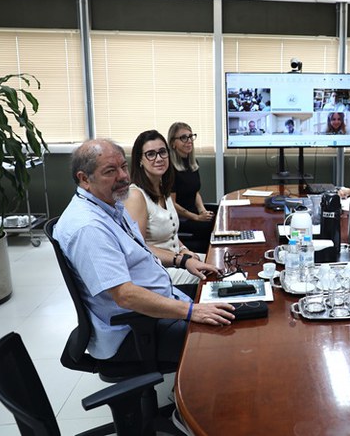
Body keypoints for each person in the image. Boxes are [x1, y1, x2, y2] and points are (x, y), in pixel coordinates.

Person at [52, 139, 234, 367]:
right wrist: (191, 311)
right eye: (110, 171)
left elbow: (137, 250)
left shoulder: (110, 205)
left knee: (233, 298)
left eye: (123, 166)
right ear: (84, 179)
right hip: (136, 329)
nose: (123, 176)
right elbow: (125, 295)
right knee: (229, 338)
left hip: (160, 302)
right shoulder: (88, 228)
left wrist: (183, 261)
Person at [125, 130, 211, 285]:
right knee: (214, 275)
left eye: (162, 152)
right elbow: (139, 247)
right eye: (151, 154)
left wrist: (184, 250)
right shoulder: (136, 195)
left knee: (219, 261)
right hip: (156, 270)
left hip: (177, 260)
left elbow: (171, 235)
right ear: (140, 160)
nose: (159, 158)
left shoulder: (163, 188)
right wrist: (182, 260)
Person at [167, 122, 215, 253]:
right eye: (183, 138)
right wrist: (197, 217)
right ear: (173, 143)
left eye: (190, 136)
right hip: (180, 217)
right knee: (209, 226)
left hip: (193, 211)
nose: (189, 141)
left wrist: (202, 210)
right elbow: (172, 203)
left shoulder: (193, 163)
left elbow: (195, 192)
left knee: (218, 215)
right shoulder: (170, 168)